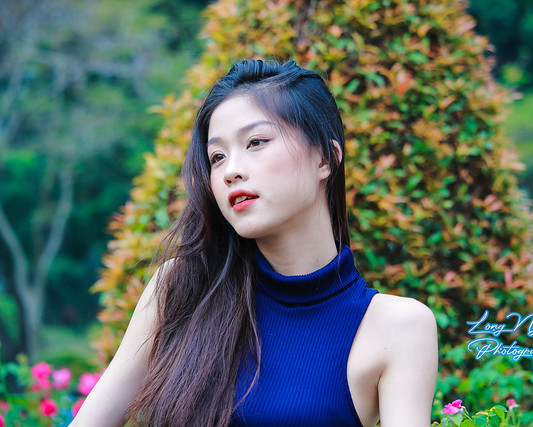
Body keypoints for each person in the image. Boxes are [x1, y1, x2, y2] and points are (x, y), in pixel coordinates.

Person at [70, 59, 438, 427]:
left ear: (326, 158)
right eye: (217, 157)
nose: (231, 170)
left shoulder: (397, 327)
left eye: (255, 142)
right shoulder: (182, 287)